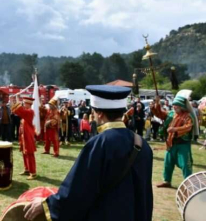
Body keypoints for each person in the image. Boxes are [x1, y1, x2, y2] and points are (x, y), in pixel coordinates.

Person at [24, 85, 153, 221]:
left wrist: (49, 206)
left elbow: (78, 191)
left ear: (99, 113)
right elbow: (145, 195)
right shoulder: (142, 144)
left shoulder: (99, 144)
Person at [152, 91, 198, 188]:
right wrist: (157, 103)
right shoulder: (171, 113)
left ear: (181, 106)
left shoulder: (188, 116)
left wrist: (175, 129)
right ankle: (167, 181)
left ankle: (188, 184)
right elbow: (159, 114)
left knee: (186, 164)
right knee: (168, 163)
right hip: (171, 143)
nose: (174, 107)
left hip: (183, 144)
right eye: (174, 105)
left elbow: (188, 127)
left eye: (176, 105)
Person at [12, 97, 37, 180]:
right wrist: (15, 101)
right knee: (24, 152)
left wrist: (17, 100)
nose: (23, 104)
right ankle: (27, 169)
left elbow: (20, 111)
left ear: (29, 104)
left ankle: (33, 172)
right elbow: (16, 111)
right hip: (23, 136)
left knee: (29, 153)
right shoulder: (26, 113)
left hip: (28, 135)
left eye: (24, 103)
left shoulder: (30, 112)